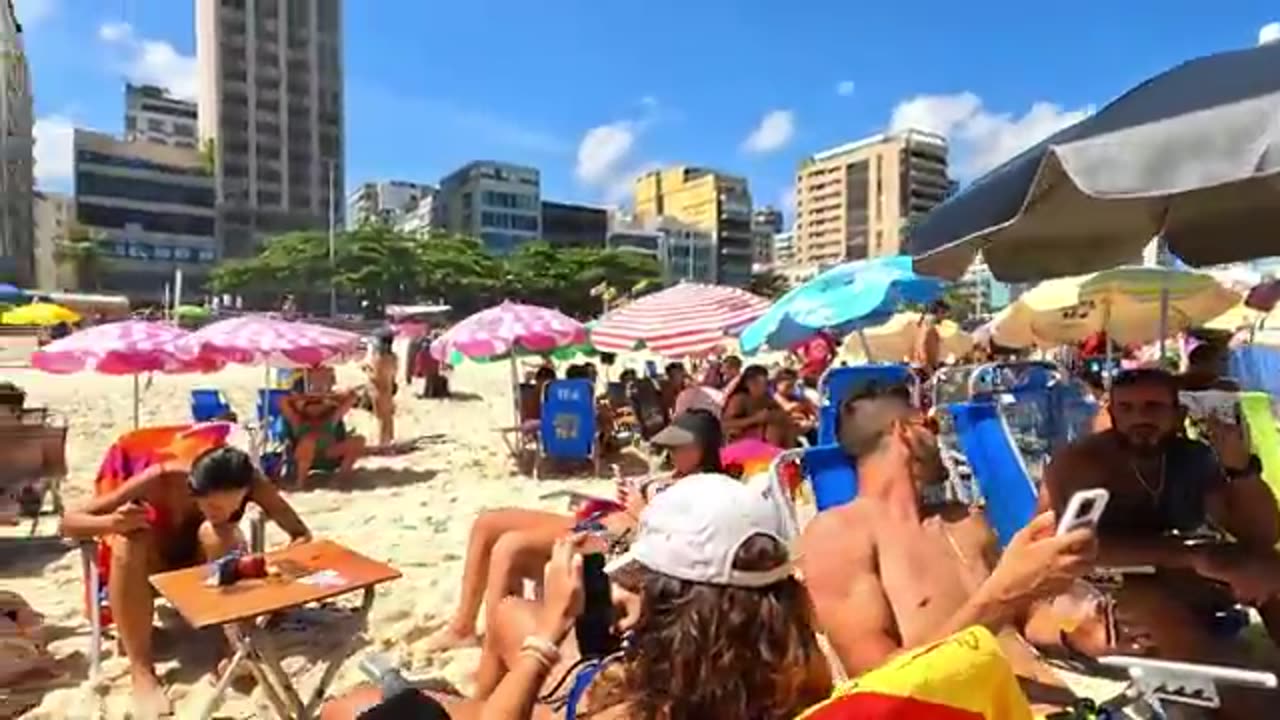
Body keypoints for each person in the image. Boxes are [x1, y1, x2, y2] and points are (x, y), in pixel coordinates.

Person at [797, 381, 1098, 708]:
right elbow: (879, 685)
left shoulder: (965, 520)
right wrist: (1002, 594)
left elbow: (1024, 619)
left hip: (1060, 705)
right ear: (904, 432)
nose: (940, 440)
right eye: (931, 425)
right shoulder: (838, 536)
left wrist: (1076, 634)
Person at [1040, 368, 1280, 717]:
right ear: (1111, 412)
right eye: (1128, 408)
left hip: (1170, 572)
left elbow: (1261, 535)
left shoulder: (1191, 458)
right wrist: (1190, 555)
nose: (1140, 418)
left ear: (1178, 414)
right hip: (1092, 585)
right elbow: (1074, 551)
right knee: (1159, 614)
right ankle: (1252, 708)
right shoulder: (1083, 463)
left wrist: (1241, 470)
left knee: (1270, 570)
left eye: (1153, 407)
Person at [424, 410, 725, 652]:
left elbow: (680, 538)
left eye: (680, 447)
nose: (672, 453)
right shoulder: (675, 474)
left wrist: (639, 510)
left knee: (510, 546)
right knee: (488, 523)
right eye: (670, 446)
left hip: (617, 543)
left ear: (704, 448)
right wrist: (631, 495)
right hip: (603, 522)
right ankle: (462, 627)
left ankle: (496, 646)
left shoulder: (711, 488)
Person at [59, 445, 311, 716]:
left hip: (207, 561)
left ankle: (232, 647)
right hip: (153, 565)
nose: (217, 510)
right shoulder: (161, 479)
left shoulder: (249, 480)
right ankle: (141, 671)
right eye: (210, 505)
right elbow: (68, 522)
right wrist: (112, 522)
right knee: (128, 541)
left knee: (219, 532)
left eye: (229, 506)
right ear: (194, 489)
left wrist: (280, 568)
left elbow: (300, 533)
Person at [279, 374, 366, 486]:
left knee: (359, 440)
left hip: (329, 453)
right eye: (309, 403)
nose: (314, 406)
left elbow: (352, 397)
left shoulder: (330, 417)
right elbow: (283, 401)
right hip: (304, 457)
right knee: (309, 440)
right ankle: (300, 483)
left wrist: (325, 396)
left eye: (318, 402)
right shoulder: (297, 419)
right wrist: (306, 397)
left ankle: (341, 479)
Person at [722, 364, 790, 445]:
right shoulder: (739, 398)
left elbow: (780, 412)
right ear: (747, 384)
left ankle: (791, 455)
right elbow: (725, 424)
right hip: (742, 439)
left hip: (762, 435)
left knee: (786, 424)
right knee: (774, 428)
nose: (762, 387)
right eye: (756, 383)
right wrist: (755, 419)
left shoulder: (766, 397)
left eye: (764, 383)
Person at [363, 330, 399, 446]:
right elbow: (393, 373)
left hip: (378, 389)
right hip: (388, 388)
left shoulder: (377, 358)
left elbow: (374, 376)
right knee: (388, 416)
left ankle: (383, 443)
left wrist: (367, 369)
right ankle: (390, 439)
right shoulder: (393, 357)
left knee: (381, 418)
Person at [773, 367, 817, 441]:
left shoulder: (794, 397)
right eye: (788, 386)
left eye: (792, 386)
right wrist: (801, 405)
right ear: (777, 384)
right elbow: (786, 408)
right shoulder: (776, 397)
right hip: (790, 428)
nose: (791, 389)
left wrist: (811, 416)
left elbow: (810, 408)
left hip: (805, 426)